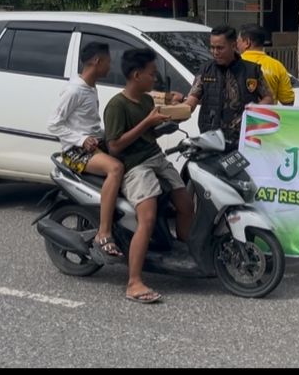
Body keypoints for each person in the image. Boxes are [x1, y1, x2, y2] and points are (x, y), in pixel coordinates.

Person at [104, 48, 196, 305]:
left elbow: (148, 136)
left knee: (186, 203)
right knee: (148, 216)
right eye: (152, 74)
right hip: (135, 166)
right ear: (136, 75)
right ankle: (133, 282)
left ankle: (183, 252)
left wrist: (161, 127)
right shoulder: (117, 106)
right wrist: (146, 124)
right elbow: (115, 146)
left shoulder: (145, 100)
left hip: (155, 158)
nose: (154, 78)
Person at [47, 41, 124, 262]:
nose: (110, 66)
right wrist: (81, 140)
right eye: (108, 62)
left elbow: (88, 123)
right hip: (74, 152)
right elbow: (53, 124)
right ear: (97, 61)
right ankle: (104, 231)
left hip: (94, 145)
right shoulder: (74, 90)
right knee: (116, 169)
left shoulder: (90, 87)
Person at [181, 25, 274, 149]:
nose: (215, 52)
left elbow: (268, 98)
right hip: (211, 140)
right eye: (212, 48)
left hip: (243, 140)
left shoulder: (252, 71)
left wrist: (253, 111)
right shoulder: (205, 70)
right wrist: (177, 110)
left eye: (220, 48)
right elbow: (192, 99)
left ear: (234, 45)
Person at [237, 24, 295, 106]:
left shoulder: (235, 64)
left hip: (239, 117)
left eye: (238, 41)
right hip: (267, 117)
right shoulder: (277, 66)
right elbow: (288, 102)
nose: (237, 45)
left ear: (247, 42)